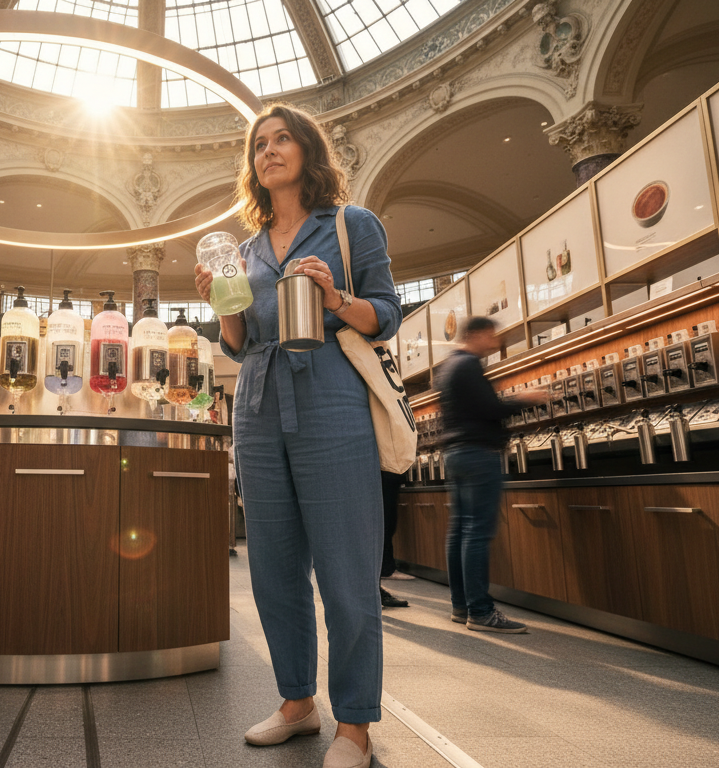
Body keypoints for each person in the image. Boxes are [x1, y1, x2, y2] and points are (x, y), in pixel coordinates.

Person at [194, 103, 401, 768]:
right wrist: (220, 306)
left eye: (283, 140)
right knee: (273, 569)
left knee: (346, 569)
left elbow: (386, 315)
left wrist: (335, 297)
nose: (270, 151)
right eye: (260, 144)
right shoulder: (245, 250)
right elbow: (240, 340)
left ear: (308, 152)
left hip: (332, 397)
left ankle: (356, 725)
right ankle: (295, 703)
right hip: (255, 400)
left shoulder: (349, 225)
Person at [436, 316, 547, 633]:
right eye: (492, 335)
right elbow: (490, 409)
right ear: (477, 335)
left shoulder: (448, 367)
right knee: (476, 533)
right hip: (477, 455)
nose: (495, 342)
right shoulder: (468, 365)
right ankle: (481, 612)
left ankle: (462, 606)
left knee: (459, 532)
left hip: (455, 454)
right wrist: (524, 399)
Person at [378, 470, 411, 608]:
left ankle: (375, 589)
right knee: (384, 527)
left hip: (384, 474)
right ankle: (376, 589)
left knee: (384, 527)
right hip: (384, 473)